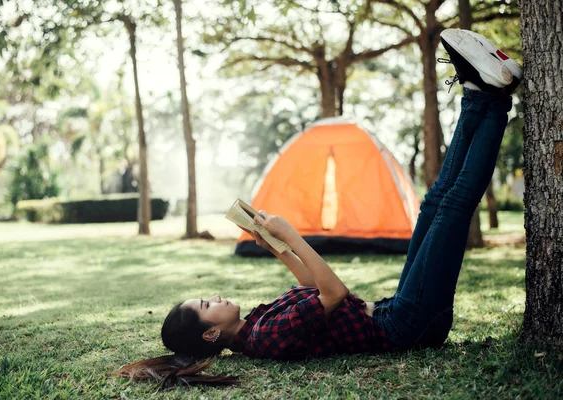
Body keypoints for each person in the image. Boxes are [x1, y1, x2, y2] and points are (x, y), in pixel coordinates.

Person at [117, 29, 523, 385]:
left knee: (432, 205)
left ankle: (477, 96)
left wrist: (278, 249)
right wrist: (291, 233)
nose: (215, 297)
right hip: (408, 327)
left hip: (395, 311)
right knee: (450, 209)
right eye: (207, 305)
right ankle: (498, 102)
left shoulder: (254, 324)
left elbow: (311, 290)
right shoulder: (264, 340)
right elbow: (333, 293)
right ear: (210, 335)